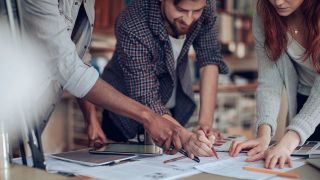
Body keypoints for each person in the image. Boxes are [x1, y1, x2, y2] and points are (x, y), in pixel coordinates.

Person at [15, 0, 191, 154]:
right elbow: (66, 66)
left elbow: (80, 59)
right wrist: (148, 116)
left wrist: (90, 118)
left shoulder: (87, 3)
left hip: (27, 119)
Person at [81, 0, 228, 157]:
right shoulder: (132, 21)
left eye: (197, 11)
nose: (189, 19)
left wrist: (204, 125)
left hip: (171, 115)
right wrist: (186, 138)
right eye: (180, 10)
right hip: (125, 117)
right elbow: (146, 97)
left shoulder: (205, 4)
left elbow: (209, 58)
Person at [229, 0, 320, 169]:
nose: (277, 2)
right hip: (303, 100)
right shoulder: (265, 15)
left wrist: (286, 143)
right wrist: (263, 136)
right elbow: (269, 81)